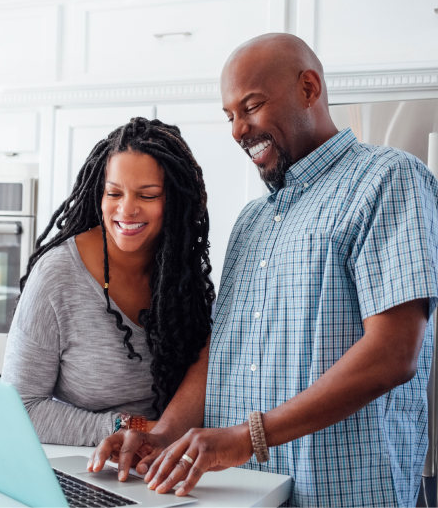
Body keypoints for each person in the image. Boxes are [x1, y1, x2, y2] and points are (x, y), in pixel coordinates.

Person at [89, 33, 438, 508]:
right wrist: (164, 433)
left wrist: (246, 437)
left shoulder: (387, 179)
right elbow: (221, 351)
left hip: (342, 495)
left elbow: (393, 353)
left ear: (309, 90)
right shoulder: (253, 220)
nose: (237, 130)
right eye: (230, 116)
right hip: (242, 495)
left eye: (251, 107)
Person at [2, 117, 214, 446]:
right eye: (114, 192)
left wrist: (159, 437)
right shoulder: (56, 276)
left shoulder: (180, 273)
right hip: (85, 468)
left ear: (175, 202)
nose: (126, 209)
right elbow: (18, 408)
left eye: (147, 195)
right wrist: (133, 428)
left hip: (166, 463)